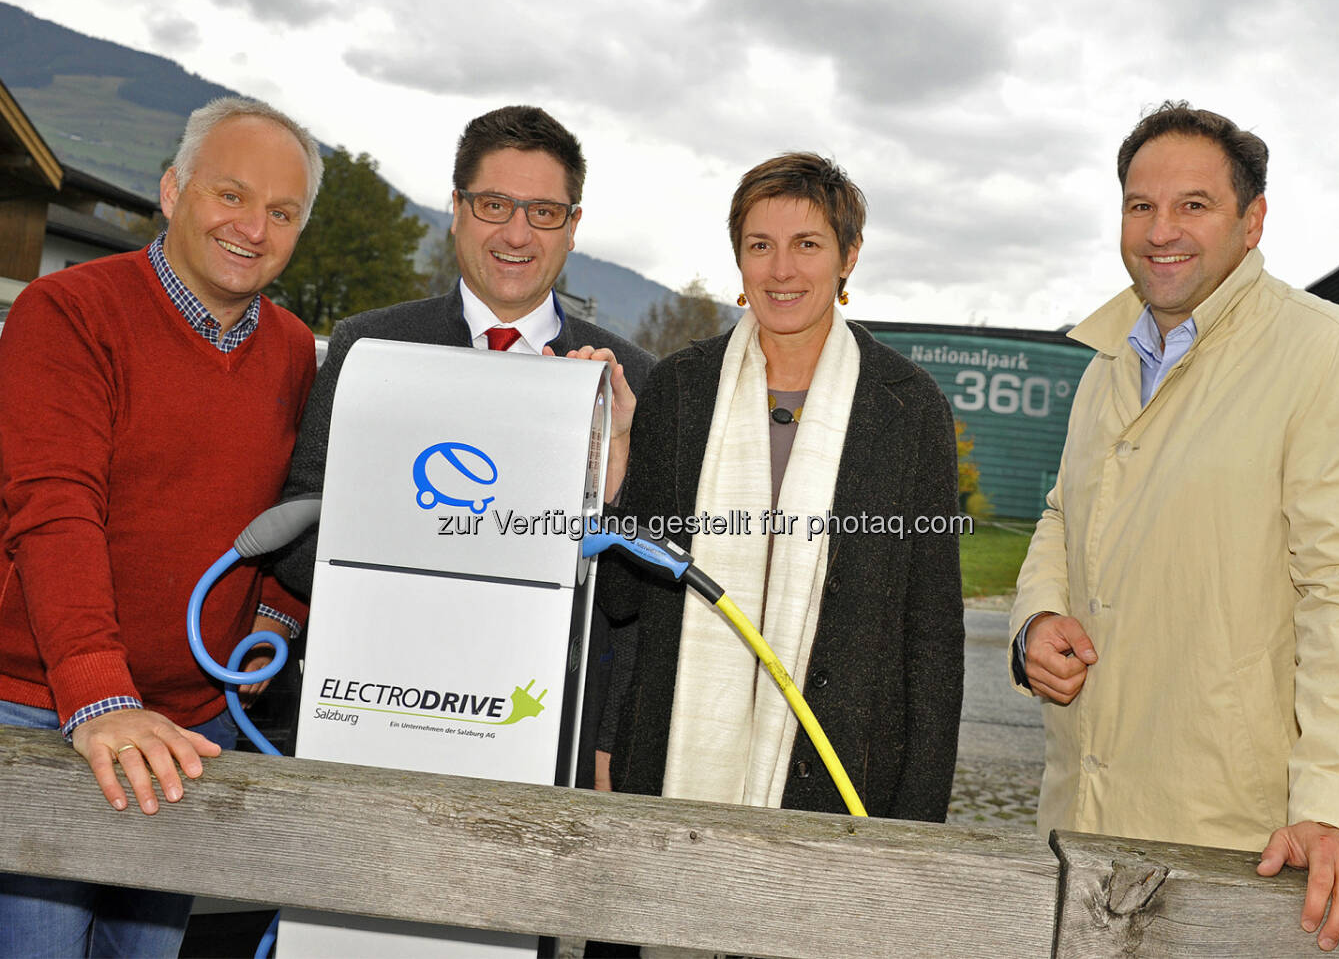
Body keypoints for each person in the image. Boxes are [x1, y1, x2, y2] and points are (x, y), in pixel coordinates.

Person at [1010, 101, 1339, 952]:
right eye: (1140, 206)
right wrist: (1035, 621)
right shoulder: (1108, 367)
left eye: (1193, 205)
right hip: (1079, 828)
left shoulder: (1333, 359)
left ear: (1252, 219)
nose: (1161, 230)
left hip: (1239, 848)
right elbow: (1062, 513)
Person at [0, 96, 322, 956]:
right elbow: (54, 506)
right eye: (231, 195)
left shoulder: (295, 350)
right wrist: (98, 694)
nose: (253, 228)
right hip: (44, 710)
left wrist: (276, 619)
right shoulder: (67, 312)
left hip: (191, 725)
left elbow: (295, 503)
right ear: (173, 191)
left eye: (282, 212)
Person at [272, 104, 653, 789]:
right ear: (455, 209)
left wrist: (614, 483)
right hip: (378, 708)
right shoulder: (374, 349)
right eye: (493, 204)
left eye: (543, 212)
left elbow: (633, 601)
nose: (515, 233)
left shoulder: (629, 381)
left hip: (540, 735)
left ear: (572, 229)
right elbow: (298, 539)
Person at [591, 152, 964, 821]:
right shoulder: (680, 389)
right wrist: (619, 454)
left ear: (847, 256)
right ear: (740, 259)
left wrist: (920, 813)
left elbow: (931, 630)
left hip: (843, 776)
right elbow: (624, 598)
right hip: (671, 763)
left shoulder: (906, 407)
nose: (781, 269)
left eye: (807, 245)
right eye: (760, 246)